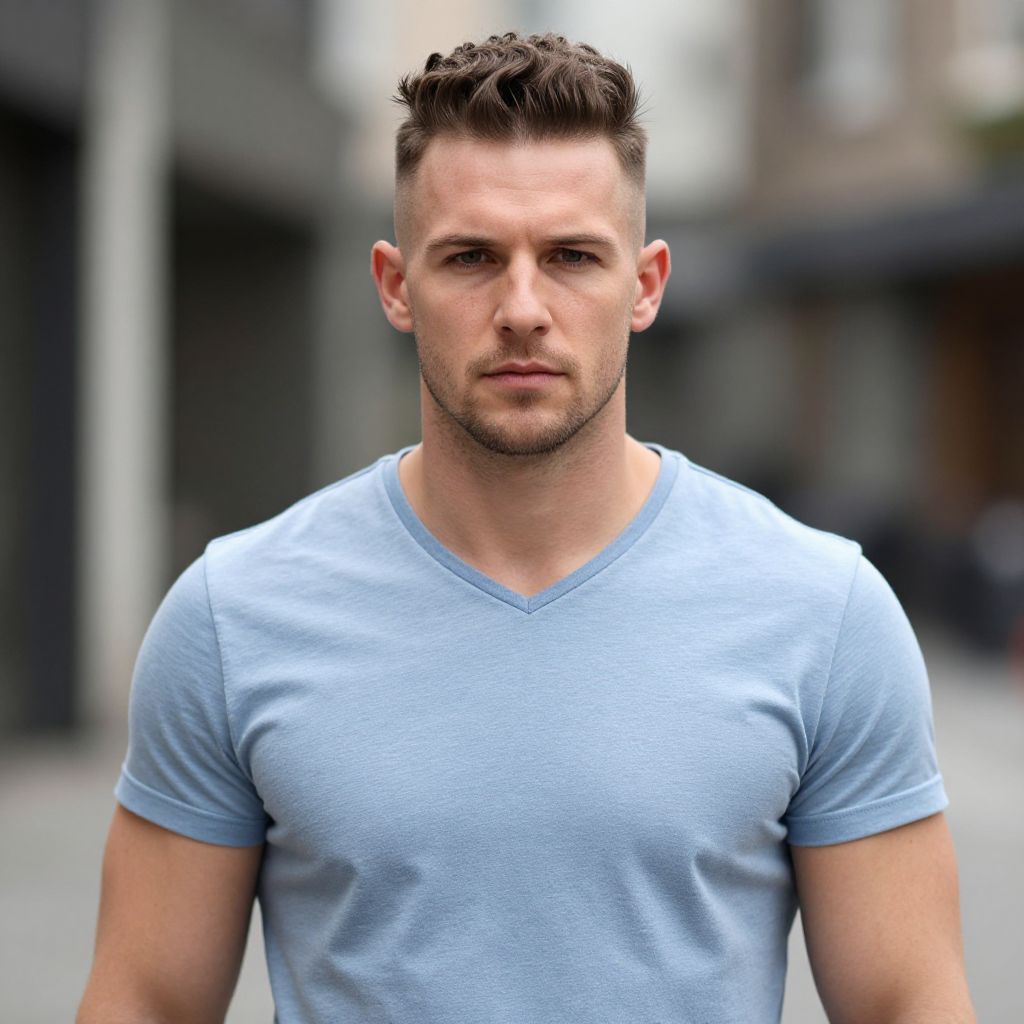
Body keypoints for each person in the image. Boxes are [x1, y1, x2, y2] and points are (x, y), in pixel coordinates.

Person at [78, 32, 975, 1024]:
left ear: (643, 284)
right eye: (469, 257)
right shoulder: (231, 616)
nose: (521, 308)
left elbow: (907, 1003)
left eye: (570, 257)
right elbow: (146, 1000)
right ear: (392, 284)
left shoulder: (823, 613)